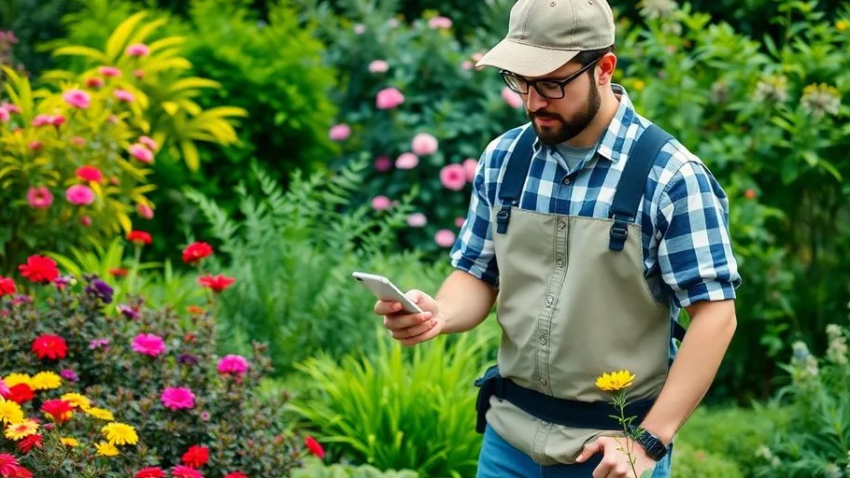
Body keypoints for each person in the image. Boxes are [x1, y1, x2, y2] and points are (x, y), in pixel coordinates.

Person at [373, 0, 742, 476]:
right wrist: (438, 314)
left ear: (604, 68)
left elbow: (716, 316)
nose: (532, 102)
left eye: (550, 83)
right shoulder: (504, 158)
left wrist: (649, 442)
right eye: (519, 81)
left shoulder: (670, 176)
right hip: (508, 442)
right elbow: (477, 274)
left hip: (610, 453)